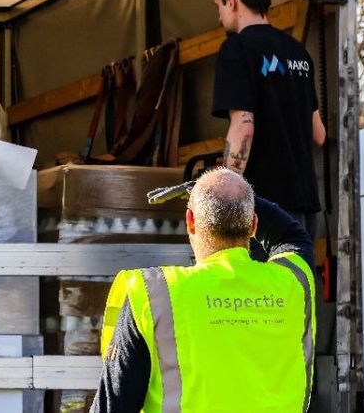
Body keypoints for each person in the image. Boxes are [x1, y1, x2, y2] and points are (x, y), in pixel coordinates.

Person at [91, 168, 316, 412]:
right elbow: (291, 234)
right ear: (253, 225)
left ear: (190, 221)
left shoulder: (153, 293)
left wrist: (206, 197)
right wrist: (238, 204)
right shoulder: (293, 282)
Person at [211, 0, 327, 238]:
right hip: (305, 207)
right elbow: (319, 134)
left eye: (218, 6)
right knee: (298, 281)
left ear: (232, 1)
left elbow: (243, 126)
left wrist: (226, 193)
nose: (219, 17)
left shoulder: (236, 49)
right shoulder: (299, 52)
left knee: (259, 282)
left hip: (263, 207)